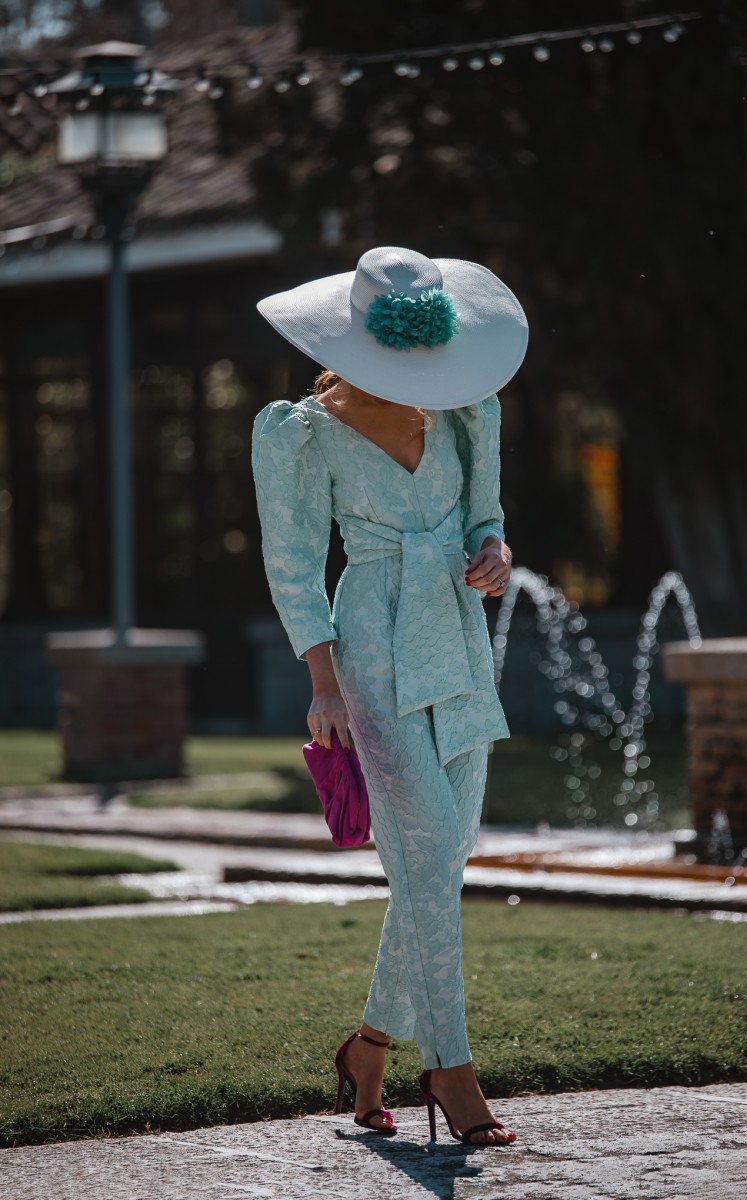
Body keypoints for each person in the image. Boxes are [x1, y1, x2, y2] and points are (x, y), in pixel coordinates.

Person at [251, 246, 528, 1147]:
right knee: (430, 847)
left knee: (441, 856)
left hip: (457, 631)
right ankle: (448, 1064)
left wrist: (494, 557)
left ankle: (368, 1045)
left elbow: (487, 520)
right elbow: (294, 568)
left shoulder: (465, 412)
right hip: (368, 641)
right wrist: (322, 683)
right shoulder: (300, 430)